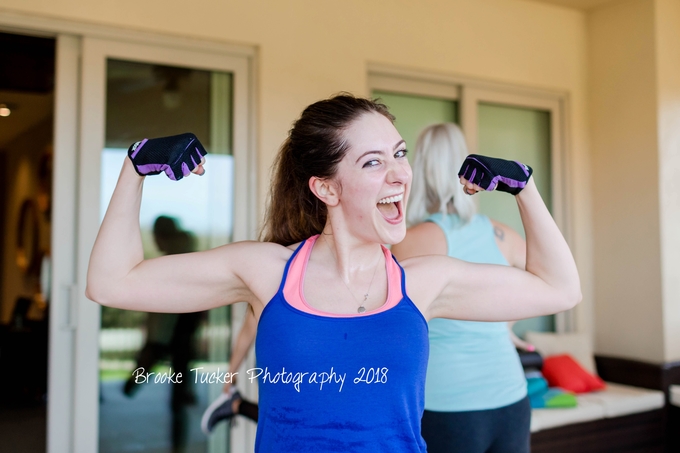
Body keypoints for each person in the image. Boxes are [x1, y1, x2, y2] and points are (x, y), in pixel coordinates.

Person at [86, 94, 581, 452]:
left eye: (400, 154)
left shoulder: (424, 282)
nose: (400, 174)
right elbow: (112, 282)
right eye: (373, 162)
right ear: (326, 189)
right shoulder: (268, 272)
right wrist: (135, 168)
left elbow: (559, 288)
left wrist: (525, 190)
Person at [391, 123, 535, 453]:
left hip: (449, 405)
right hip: (511, 398)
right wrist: (506, 325)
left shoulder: (409, 242)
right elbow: (546, 280)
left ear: (422, 168)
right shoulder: (501, 234)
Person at [200, 307, 259, 434]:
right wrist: (230, 374)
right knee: (284, 423)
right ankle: (236, 404)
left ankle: (236, 405)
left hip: (305, 368)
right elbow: (249, 328)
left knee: (286, 424)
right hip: (282, 369)